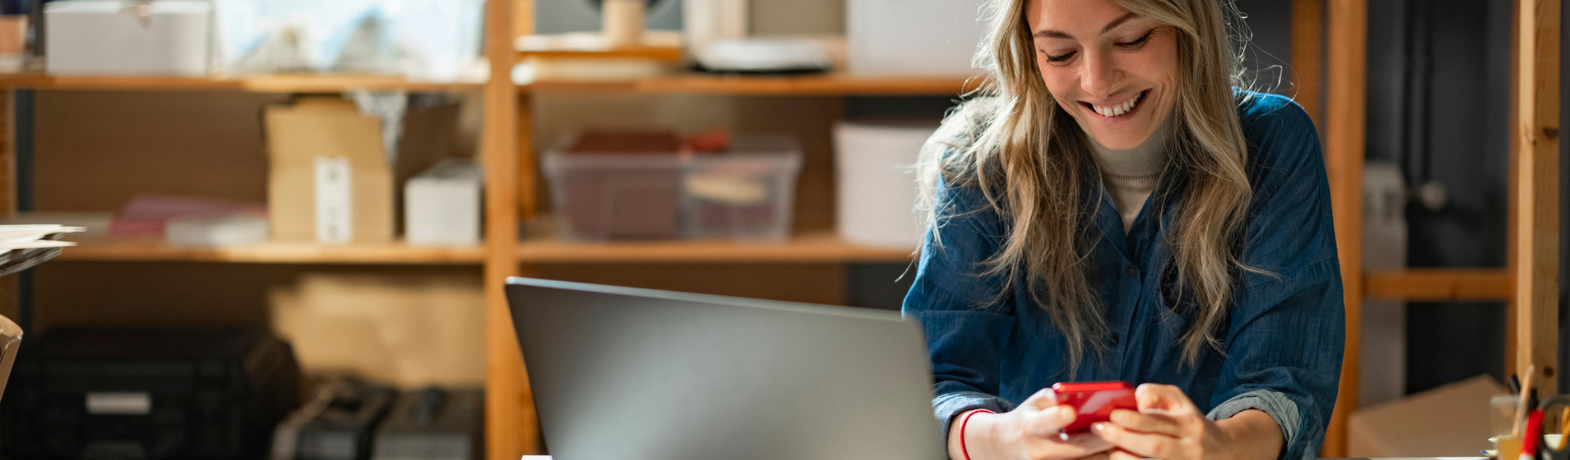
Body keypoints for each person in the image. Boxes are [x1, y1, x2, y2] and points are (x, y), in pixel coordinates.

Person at [902, 0, 1345, 459]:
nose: (1097, 82)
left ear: (1188, 27)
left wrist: (1221, 446)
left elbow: (1285, 381)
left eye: (1131, 40)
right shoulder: (980, 163)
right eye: (1059, 54)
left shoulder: (1273, 144)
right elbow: (928, 382)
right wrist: (999, 439)